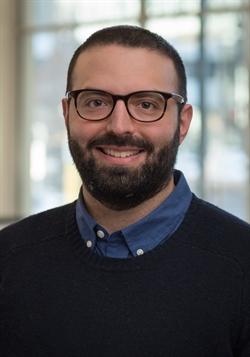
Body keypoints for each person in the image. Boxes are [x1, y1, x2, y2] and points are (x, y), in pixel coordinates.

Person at [1, 25, 250, 357]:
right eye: (95, 101)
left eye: (147, 104)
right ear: (66, 115)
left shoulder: (242, 266)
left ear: (183, 123)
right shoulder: (8, 259)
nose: (119, 126)